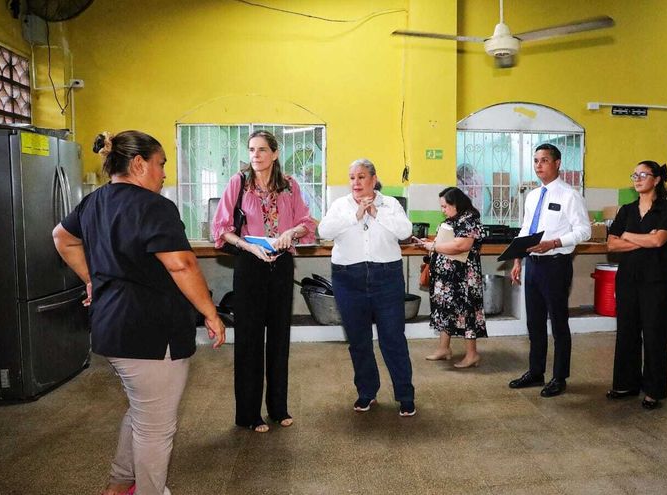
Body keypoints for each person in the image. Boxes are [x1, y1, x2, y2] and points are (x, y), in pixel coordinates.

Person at [52, 131, 226, 495]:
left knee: (142, 411)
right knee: (155, 429)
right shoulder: (154, 206)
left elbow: (62, 238)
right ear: (138, 164)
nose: (164, 174)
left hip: (111, 328)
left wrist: (92, 280)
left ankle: (119, 486)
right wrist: (210, 312)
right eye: (161, 164)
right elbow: (181, 264)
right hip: (150, 333)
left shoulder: (94, 201)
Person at [212, 130, 315, 432]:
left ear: (275, 153)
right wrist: (247, 245)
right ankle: (249, 414)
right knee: (249, 339)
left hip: (281, 264)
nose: (255, 155)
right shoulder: (239, 183)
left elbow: (306, 223)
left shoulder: (290, 185)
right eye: (251, 150)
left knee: (280, 338)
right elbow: (222, 228)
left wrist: (291, 232)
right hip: (250, 264)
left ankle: (278, 408)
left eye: (261, 150)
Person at [318, 158, 416, 416]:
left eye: (361, 177)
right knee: (358, 340)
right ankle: (366, 392)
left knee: (392, 339)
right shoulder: (340, 205)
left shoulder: (390, 204)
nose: (356, 182)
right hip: (348, 278)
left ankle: (405, 395)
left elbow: (405, 231)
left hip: (387, 277)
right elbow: (324, 231)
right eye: (352, 177)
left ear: (373, 179)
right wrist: (355, 216)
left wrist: (376, 213)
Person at [508, 143, 591, 397]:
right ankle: (536, 372)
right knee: (534, 322)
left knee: (558, 322)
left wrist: (554, 243)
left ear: (557, 163)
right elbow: (526, 230)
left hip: (556, 265)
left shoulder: (570, 195)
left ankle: (559, 377)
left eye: (544, 160)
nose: (538, 165)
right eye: (536, 161)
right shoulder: (533, 196)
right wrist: (517, 259)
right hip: (533, 265)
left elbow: (584, 231)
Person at [605, 161, 667, 410]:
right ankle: (626, 384)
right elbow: (612, 245)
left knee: (655, 335)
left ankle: (653, 390)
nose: (637, 179)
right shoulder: (626, 210)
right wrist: (645, 238)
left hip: (655, 282)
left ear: (656, 180)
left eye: (643, 175)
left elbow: (659, 241)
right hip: (627, 280)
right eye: (634, 175)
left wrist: (628, 236)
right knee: (626, 332)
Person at [418, 187, 487, 368]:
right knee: (444, 309)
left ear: (456, 204)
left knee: (467, 311)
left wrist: (433, 246)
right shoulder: (452, 219)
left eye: (445, 206)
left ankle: (472, 354)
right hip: (446, 278)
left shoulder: (470, 219)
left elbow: (461, 246)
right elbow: (446, 242)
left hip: (464, 278)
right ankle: (444, 348)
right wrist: (431, 245)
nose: (443, 210)